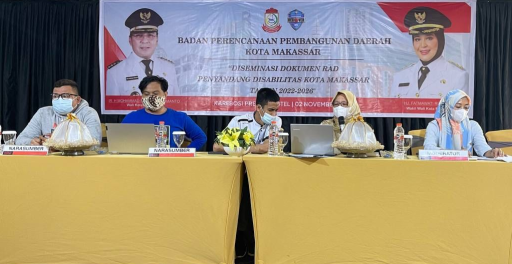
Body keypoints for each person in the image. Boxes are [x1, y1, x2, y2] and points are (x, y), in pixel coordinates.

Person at [390, 6, 468, 98]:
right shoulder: (400, 76)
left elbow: (459, 111)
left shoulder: (458, 76)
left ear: (440, 40)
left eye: (429, 38)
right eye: (417, 39)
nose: (423, 45)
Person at [106, 8, 178, 96]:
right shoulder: (115, 72)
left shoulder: (169, 68)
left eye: (150, 35)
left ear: (157, 39)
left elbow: (176, 104)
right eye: (138, 35)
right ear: (130, 40)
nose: (145, 41)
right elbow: (113, 108)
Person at [122, 75, 206, 149]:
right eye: (146, 94)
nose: (151, 97)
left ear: (165, 94)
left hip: (170, 163)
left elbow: (200, 138)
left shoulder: (180, 117)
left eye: (155, 93)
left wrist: (184, 153)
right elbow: (120, 142)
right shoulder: (131, 118)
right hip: (138, 164)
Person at [16, 79, 102, 145]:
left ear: (78, 99)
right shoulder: (43, 113)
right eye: (55, 96)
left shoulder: (89, 113)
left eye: (65, 96)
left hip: (78, 161)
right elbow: (20, 140)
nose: (59, 99)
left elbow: (94, 143)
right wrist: (32, 142)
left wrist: (56, 144)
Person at [424, 89, 504, 157]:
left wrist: (492, 152)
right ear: (448, 106)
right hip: (440, 168)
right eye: (458, 106)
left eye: (466, 107)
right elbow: (428, 147)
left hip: (466, 169)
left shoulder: (473, 126)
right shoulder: (435, 125)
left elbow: (482, 147)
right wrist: (456, 154)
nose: (462, 110)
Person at [212, 87, 281, 154]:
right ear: (258, 107)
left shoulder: (277, 121)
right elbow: (217, 147)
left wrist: (239, 148)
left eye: (276, 110)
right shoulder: (238, 121)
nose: (274, 114)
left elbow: (267, 147)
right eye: (271, 110)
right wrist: (251, 148)